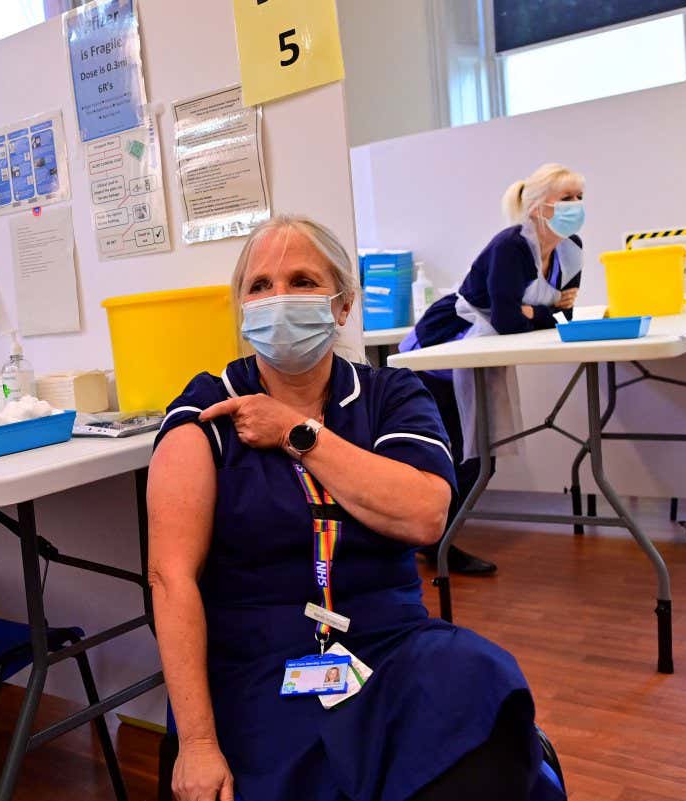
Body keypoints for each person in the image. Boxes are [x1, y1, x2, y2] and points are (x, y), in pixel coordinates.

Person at [148, 216, 546, 801]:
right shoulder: (206, 410)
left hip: (389, 643)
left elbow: (424, 515)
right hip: (260, 661)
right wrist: (199, 744)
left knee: (479, 687)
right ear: (240, 308)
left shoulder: (391, 395)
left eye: (302, 280)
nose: (278, 298)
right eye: (259, 286)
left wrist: (297, 433)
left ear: (341, 305)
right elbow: (170, 576)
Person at [403, 164, 584, 576]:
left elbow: (564, 313)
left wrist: (535, 311)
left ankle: (436, 541)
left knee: (480, 456)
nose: (576, 206)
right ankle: (435, 543)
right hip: (445, 351)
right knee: (463, 456)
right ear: (539, 207)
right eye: (566, 198)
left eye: (579, 197)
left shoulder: (570, 246)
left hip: (482, 353)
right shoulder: (509, 246)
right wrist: (543, 310)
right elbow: (509, 320)